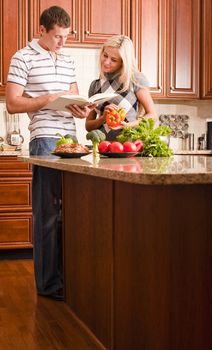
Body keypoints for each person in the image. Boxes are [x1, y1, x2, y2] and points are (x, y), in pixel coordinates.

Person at [6, 6, 94, 300]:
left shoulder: (67, 60)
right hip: (44, 139)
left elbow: (75, 100)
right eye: (57, 37)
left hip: (71, 138)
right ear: (41, 31)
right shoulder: (22, 57)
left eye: (66, 37)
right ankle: (49, 285)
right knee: (47, 215)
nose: (63, 43)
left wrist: (82, 109)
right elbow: (13, 103)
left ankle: (67, 278)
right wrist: (47, 99)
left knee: (69, 214)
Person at [85, 35, 158, 141]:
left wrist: (127, 126)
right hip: (103, 149)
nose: (106, 62)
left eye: (113, 60)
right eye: (105, 55)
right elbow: (88, 126)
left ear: (123, 62)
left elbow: (152, 115)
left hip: (129, 147)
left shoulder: (134, 79)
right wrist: (102, 118)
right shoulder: (95, 85)